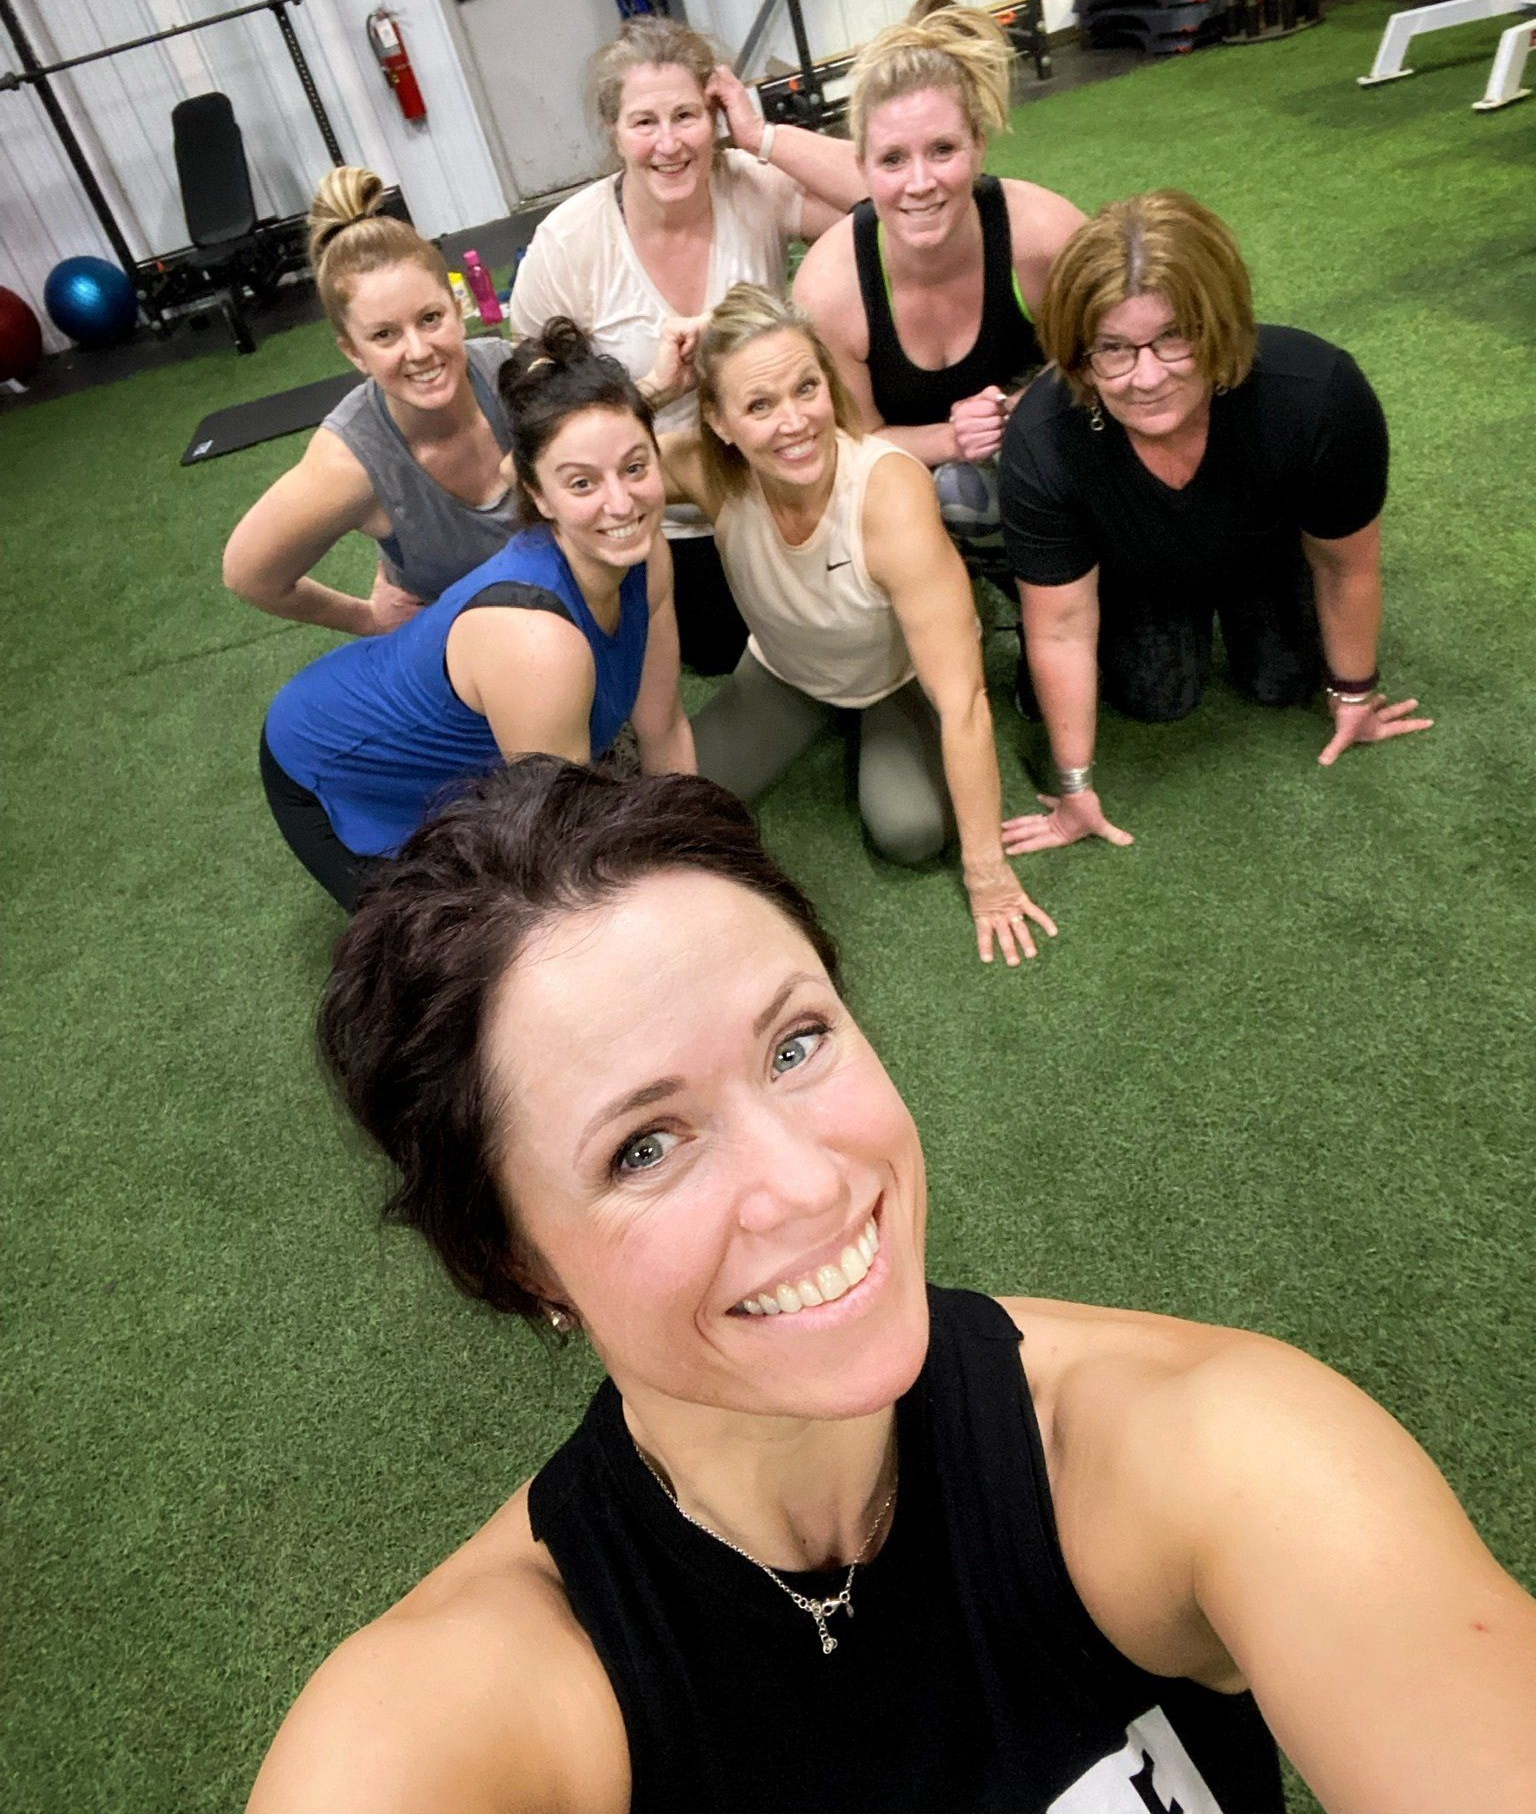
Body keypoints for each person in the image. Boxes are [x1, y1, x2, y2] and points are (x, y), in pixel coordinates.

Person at [247, 758, 1536, 1813]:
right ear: (517, 1260)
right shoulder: (465, 1710)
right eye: (646, 1143)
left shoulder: (1205, 1443)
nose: (806, 1183)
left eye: (796, 1042)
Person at [999, 190, 1433, 858]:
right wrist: (1073, 784)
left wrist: (1355, 694)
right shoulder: (1045, 440)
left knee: (1287, 681)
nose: (1146, 378)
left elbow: (1345, 563)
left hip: (1266, 552)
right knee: (1156, 697)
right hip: (1137, 573)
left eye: (1173, 337)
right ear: (1078, 352)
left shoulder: (1317, 394)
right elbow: (1059, 626)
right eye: (1112, 348)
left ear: (1220, 325)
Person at [667, 283, 1055, 966]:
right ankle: (823, 720)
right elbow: (544, 466)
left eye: (805, 388)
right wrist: (651, 382)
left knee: (909, 830)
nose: (793, 423)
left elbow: (962, 702)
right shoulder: (710, 472)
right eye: (759, 405)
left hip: (892, 675)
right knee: (676, 798)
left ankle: (926, 671)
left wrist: (988, 877)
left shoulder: (887, 493)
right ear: (719, 420)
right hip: (785, 672)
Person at [258, 322, 691, 909]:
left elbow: (663, 727)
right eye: (583, 483)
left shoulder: (648, 553)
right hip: (333, 763)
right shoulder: (538, 641)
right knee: (474, 968)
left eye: (635, 468)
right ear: (539, 496)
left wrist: (700, 861)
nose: (621, 503)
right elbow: (559, 860)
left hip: (478, 752)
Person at [508, 15, 867, 674]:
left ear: (716, 116)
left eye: (687, 116)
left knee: (842, 625)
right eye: (645, 122)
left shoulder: (749, 184)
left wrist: (762, 136)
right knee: (720, 654)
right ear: (612, 131)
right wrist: (650, 390)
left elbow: (884, 204)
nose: (669, 144)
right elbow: (534, 416)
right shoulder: (569, 245)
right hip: (667, 512)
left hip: (777, 472)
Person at [792, 0, 1084, 582]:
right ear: (863, 167)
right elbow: (855, 442)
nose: (919, 183)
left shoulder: (1047, 237)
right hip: (915, 472)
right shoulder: (829, 289)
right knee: (947, 488)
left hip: (1045, 447)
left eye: (943, 150)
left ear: (977, 145)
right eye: (893, 159)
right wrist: (955, 436)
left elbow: (1109, 366)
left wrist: (1015, 414)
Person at [223, 167, 520, 636]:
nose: (419, 351)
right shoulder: (352, 461)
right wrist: (367, 618)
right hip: (460, 648)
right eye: (384, 335)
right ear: (353, 352)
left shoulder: (509, 374)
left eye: (429, 318)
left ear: (457, 309)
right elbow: (249, 575)